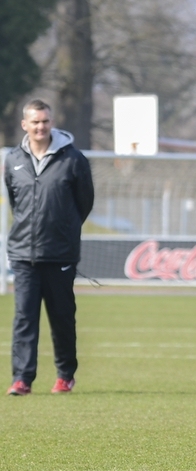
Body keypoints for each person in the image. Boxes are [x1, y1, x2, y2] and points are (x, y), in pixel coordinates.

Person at [4, 99, 94, 396]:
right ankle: (22, 379)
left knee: (62, 317)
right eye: (35, 122)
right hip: (23, 254)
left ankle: (65, 375)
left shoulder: (73, 159)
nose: (41, 127)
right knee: (24, 319)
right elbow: (16, 202)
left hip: (60, 254)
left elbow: (84, 203)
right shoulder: (13, 160)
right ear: (25, 125)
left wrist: (64, 230)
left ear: (51, 122)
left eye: (45, 121)